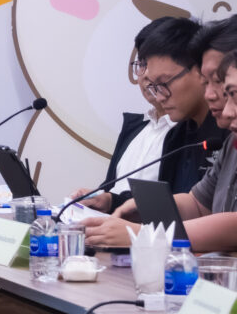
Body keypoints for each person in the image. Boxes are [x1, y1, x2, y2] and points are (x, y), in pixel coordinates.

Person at [85, 49, 237, 252]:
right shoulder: (231, 143)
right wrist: (146, 208)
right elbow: (198, 204)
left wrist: (143, 235)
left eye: (231, 93)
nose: (227, 110)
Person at [71, 18, 174, 212]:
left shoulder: (188, 133)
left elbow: (173, 205)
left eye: (152, 66)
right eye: (142, 64)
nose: (146, 75)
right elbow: (112, 189)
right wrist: (98, 198)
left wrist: (113, 201)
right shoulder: (135, 127)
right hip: (110, 225)